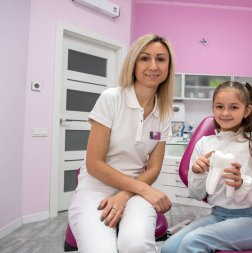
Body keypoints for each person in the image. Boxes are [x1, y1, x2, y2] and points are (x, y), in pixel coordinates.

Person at [68, 34, 176, 253]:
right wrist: (137, 189)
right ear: (134, 63)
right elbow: (94, 163)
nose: (153, 66)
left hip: (136, 191)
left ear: (168, 66)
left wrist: (125, 194)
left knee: (135, 245)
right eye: (145, 58)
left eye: (161, 59)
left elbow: (154, 168)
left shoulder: (164, 112)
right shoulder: (111, 98)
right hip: (96, 187)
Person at [161, 81, 252, 253]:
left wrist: (242, 183)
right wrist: (197, 172)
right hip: (219, 215)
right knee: (169, 248)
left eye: (234, 107)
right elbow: (197, 194)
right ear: (213, 108)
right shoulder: (204, 143)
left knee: (193, 242)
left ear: (247, 110)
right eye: (219, 106)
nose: (225, 113)